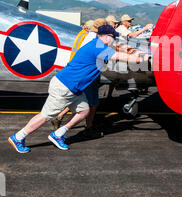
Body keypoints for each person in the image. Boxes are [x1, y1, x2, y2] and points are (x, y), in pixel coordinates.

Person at [8, 25, 150, 153]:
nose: (114, 41)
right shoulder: (99, 48)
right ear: (107, 37)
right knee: (46, 116)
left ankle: (58, 134)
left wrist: (131, 49)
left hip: (74, 88)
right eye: (113, 38)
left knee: (84, 111)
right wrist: (142, 58)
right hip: (65, 87)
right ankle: (18, 137)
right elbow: (122, 57)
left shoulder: (97, 43)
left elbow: (119, 46)